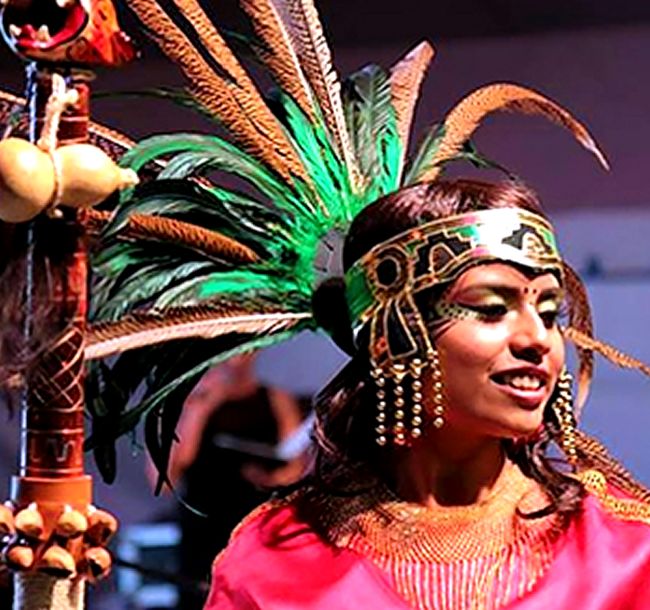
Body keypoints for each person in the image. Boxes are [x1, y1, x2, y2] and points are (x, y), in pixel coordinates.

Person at [203, 179, 650, 610]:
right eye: (491, 309)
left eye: (549, 314)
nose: (537, 338)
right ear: (393, 338)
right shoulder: (276, 561)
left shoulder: (625, 551)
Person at [149, 354, 309, 610]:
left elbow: (296, 465)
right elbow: (163, 480)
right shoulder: (186, 404)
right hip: (205, 529)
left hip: (255, 527)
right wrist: (200, 409)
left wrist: (271, 478)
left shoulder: (275, 399)